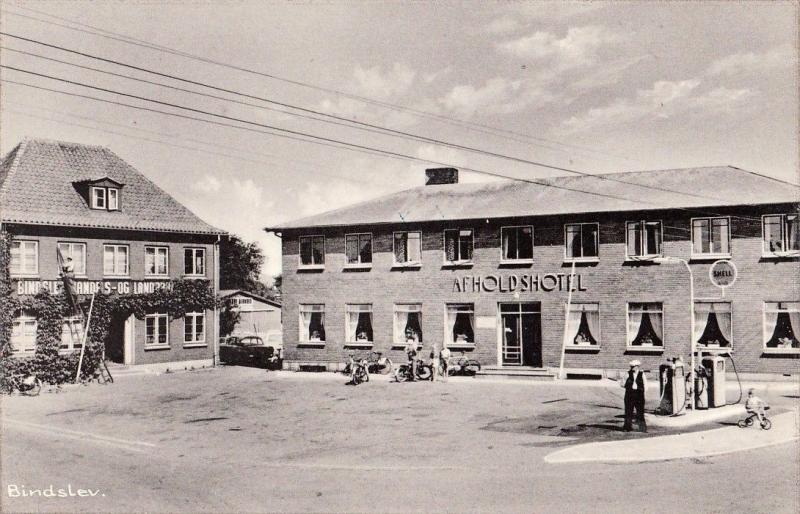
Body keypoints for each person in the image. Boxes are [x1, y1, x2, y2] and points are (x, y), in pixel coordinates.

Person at [620, 359, 647, 432]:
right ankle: (627, 427)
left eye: (633, 367)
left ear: (638, 366)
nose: (632, 368)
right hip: (630, 394)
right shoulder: (627, 374)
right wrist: (628, 385)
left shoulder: (642, 374)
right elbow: (622, 384)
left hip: (639, 394)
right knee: (628, 411)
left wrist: (642, 392)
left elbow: (645, 385)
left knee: (640, 411)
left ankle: (642, 428)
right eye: (631, 367)